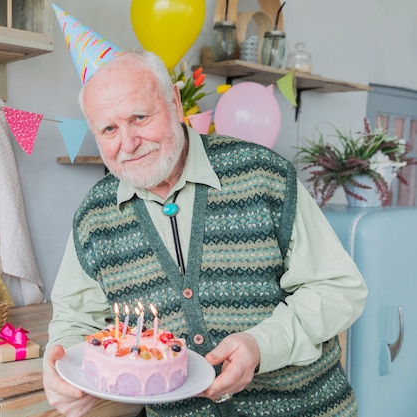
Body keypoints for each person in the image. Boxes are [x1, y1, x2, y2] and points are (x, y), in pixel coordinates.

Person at [43, 49, 367, 417]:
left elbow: (338, 288)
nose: (129, 143)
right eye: (109, 129)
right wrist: (61, 369)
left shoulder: (262, 175)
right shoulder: (94, 216)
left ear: (176, 103)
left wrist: (262, 345)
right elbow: (75, 320)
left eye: (139, 117)